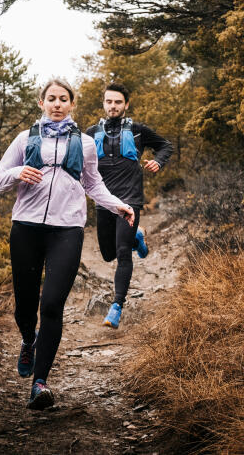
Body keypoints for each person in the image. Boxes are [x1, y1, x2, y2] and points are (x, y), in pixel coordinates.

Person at [0, 78, 134, 410]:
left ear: (72, 105)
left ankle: (39, 384)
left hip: (67, 230)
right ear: (41, 103)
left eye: (63, 99)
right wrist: (18, 173)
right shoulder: (25, 138)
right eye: (51, 98)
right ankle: (29, 340)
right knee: (25, 308)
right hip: (25, 228)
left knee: (52, 305)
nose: (57, 103)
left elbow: (94, 185)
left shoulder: (84, 144)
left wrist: (119, 205)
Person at [85, 82, 173, 329]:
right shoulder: (91, 132)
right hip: (104, 201)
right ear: (103, 103)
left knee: (122, 252)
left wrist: (158, 161)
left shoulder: (137, 130)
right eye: (109, 101)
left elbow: (166, 145)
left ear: (125, 104)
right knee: (107, 253)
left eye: (118, 102)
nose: (113, 106)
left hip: (130, 199)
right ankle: (138, 237)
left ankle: (116, 306)